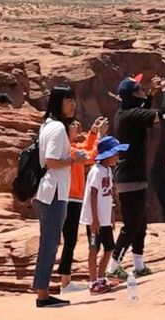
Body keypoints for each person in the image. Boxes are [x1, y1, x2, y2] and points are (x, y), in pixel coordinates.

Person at [107, 73, 165, 280]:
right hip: (130, 177)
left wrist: (152, 93)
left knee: (140, 224)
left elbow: (142, 110)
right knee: (132, 225)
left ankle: (139, 265)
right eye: (140, 89)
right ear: (134, 94)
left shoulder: (125, 113)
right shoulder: (131, 115)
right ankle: (113, 266)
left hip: (132, 176)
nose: (143, 90)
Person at [32, 85, 87, 308]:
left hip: (49, 190)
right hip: (53, 191)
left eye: (73, 99)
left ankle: (42, 290)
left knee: (50, 242)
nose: (72, 104)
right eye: (67, 100)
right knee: (50, 243)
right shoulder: (56, 128)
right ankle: (42, 294)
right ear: (57, 102)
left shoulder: (49, 125)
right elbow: (52, 160)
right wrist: (75, 160)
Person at [57, 116, 106, 294]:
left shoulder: (73, 147)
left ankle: (66, 281)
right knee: (69, 239)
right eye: (72, 125)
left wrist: (93, 132)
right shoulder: (67, 150)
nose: (77, 126)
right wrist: (99, 135)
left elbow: (86, 148)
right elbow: (91, 156)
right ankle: (64, 283)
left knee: (71, 239)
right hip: (69, 198)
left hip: (75, 197)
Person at [80, 136, 126, 295]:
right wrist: (95, 220)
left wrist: (111, 215)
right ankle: (92, 282)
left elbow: (108, 195)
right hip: (95, 219)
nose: (117, 156)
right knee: (94, 248)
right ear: (107, 155)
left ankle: (101, 278)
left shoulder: (107, 170)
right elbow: (93, 195)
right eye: (115, 153)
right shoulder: (96, 171)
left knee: (109, 248)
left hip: (105, 218)